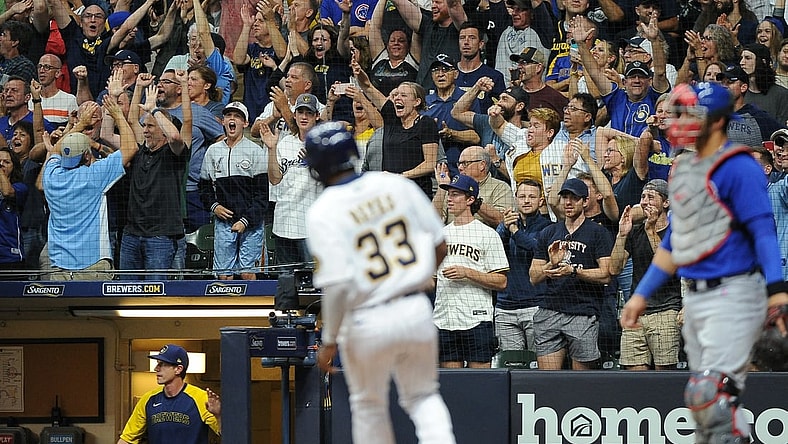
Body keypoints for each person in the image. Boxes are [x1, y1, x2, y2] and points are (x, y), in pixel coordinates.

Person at [621, 82, 788, 443]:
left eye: (691, 115)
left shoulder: (739, 167)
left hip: (734, 291)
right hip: (696, 298)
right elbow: (673, 243)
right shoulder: (685, 169)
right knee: (709, 409)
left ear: (715, 121)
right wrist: (640, 295)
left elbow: (763, 231)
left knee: (709, 395)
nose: (681, 122)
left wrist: (777, 292)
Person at [306, 122, 456, 444]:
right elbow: (440, 243)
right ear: (353, 153)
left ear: (316, 168)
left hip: (365, 319)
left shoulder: (323, 211)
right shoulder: (393, 185)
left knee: (368, 406)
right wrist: (417, 277)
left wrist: (329, 340)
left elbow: (336, 285)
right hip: (414, 307)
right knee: (423, 397)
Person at [43, 97, 137, 280]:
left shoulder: (51, 175)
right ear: (87, 155)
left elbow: (55, 151)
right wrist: (117, 115)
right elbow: (131, 147)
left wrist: (79, 124)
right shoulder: (94, 175)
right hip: (92, 265)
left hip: (58, 266)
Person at [529, 178, 613, 370]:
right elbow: (533, 277)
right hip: (550, 310)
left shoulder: (597, 233)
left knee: (581, 384)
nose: (568, 202)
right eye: (565, 197)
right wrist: (552, 263)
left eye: (574, 198)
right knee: (548, 382)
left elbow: (606, 274)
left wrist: (573, 271)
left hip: (582, 312)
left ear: (585, 201)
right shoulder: (549, 232)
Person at [434, 175, 509, 368]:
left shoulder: (488, 234)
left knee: (481, 383)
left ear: (470, 199)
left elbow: (501, 282)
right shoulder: (440, 235)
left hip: (476, 319)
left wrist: (467, 273)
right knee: (453, 386)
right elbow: (432, 279)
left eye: (456, 194)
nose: (450, 199)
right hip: (445, 318)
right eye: (449, 194)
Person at [611, 180, 682, 370]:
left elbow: (667, 268)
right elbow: (614, 268)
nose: (644, 202)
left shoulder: (676, 233)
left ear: (666, 203)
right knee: (634, 376)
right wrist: (621, 235)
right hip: (638, 314)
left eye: (651, 197)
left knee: (664, 375)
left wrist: (651, 230)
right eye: (643, 197)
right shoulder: (634, 232)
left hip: (666, 311)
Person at [199, 102, 267, 280]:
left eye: (237, 116)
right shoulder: (213, 152)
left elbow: (262, 196)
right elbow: (204, 188)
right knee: (224, 277)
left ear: (245, 123)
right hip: (224, 223)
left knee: (247, 274)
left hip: (251, 224)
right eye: (229, 116)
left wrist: (245, 221)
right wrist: (214, 207)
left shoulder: (255, 151)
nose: (232, 119)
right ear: (223, 121)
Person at [117, 344, 221, 444]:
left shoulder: (200, 398)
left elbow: (225, 433)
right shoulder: (148, 399)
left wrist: (218, 415)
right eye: (157, 364)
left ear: (178, 369)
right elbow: (127, 439)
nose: (156, 369)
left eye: (162, 364)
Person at [494, 179, 552, 352]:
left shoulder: (548, 228)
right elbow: (495, 250)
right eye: (522, 196)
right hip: (506, 308)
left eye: (532, 197)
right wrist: (505, 229)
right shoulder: (504, 227)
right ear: (515, 199)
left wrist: (514, 231)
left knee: (539, 363)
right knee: (512, 365)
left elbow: (536, 247)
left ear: (541, 200)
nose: (526, 200)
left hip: (536, 306)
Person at [0, 147, 27, 279]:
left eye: (6, 162)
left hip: (10, 257)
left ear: (13, 166)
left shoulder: (20, 188)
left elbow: (7, 192)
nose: (2, 164)